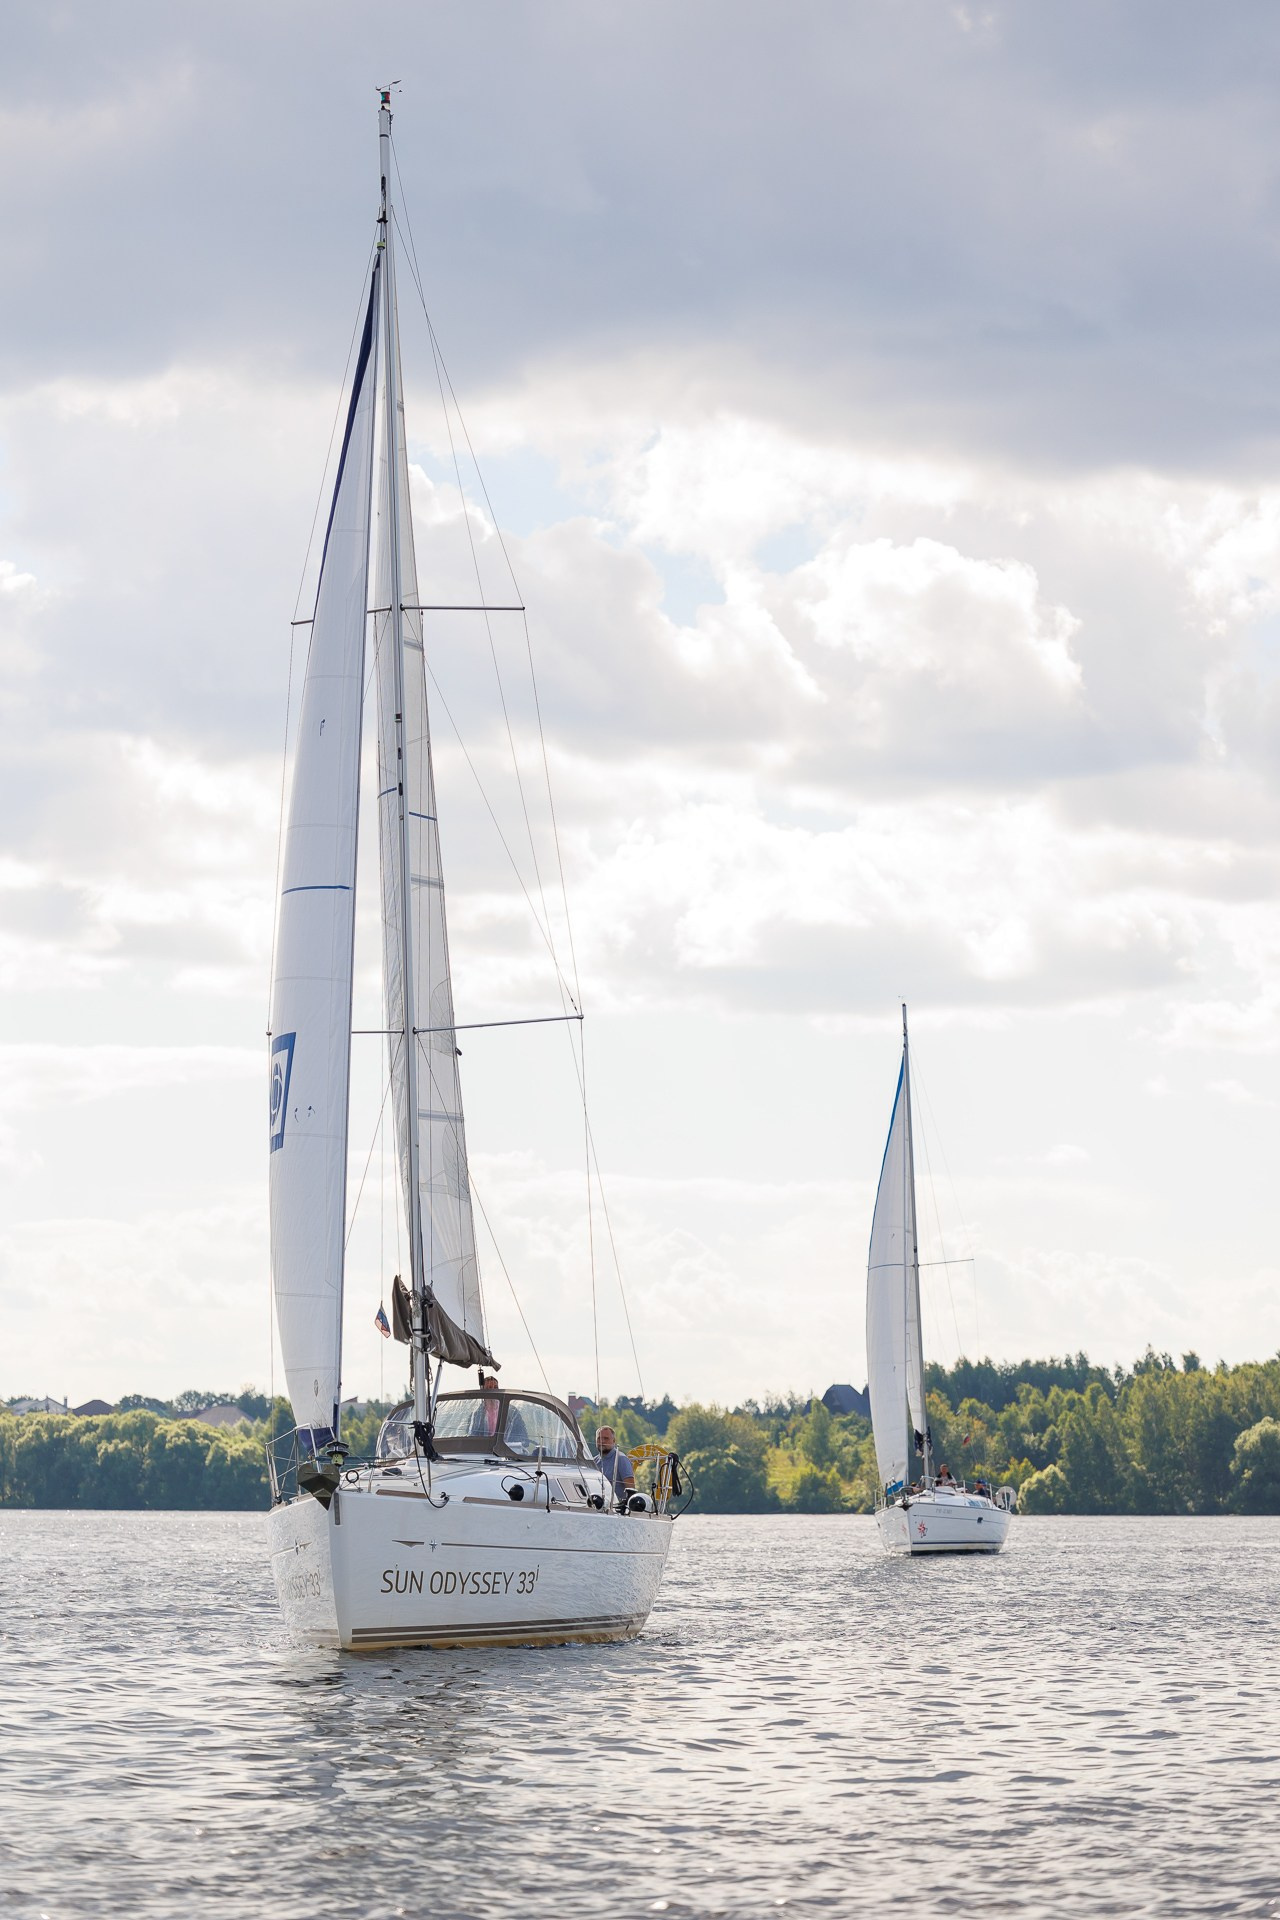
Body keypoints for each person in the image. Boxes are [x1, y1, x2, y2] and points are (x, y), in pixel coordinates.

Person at [595, 1426, 635, 1501]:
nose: (602, 1441)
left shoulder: (621, 1459)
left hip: (616, 1506)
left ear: (614, 1441)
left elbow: (631, 1489)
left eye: (606, 1438)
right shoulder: (594, 1461)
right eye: (599, 1438)